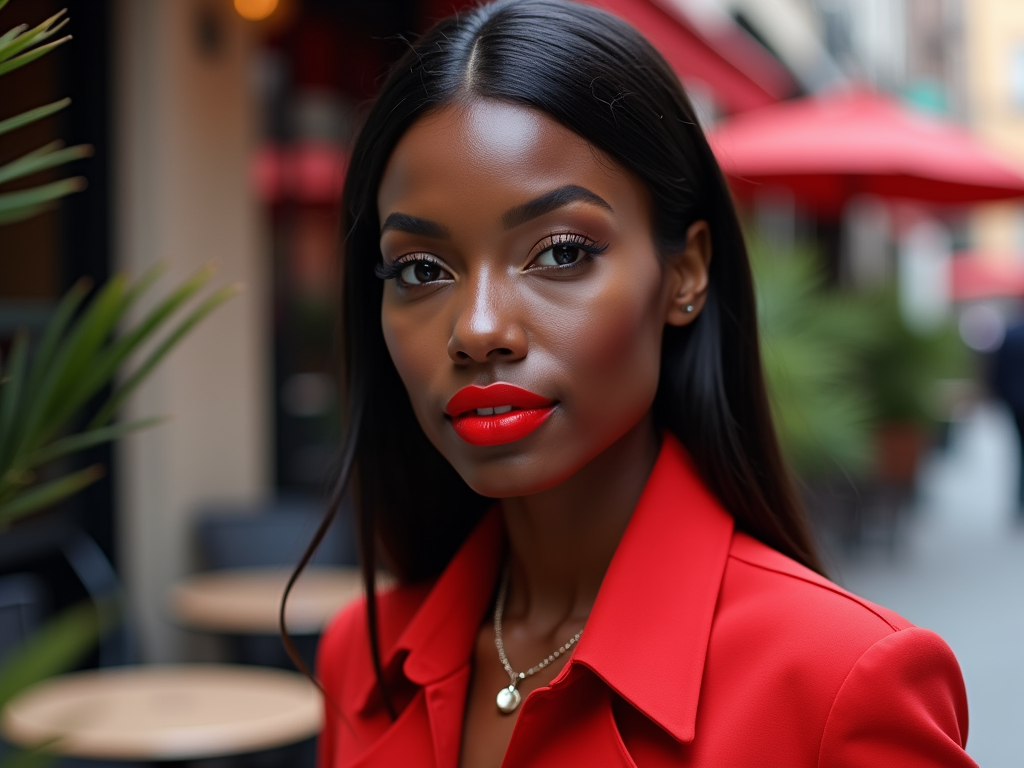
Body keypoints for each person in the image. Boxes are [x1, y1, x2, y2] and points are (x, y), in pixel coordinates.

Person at [290, 1, 976, 765]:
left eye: (559, 253)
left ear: (684, 274)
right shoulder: (362, 659)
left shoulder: (836, 684)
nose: (478, 328)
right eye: (421, 269)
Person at [992, 318, 1024, 521]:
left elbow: (996, 372)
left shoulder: (1010, 333)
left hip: (1015, 401)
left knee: (1019, 450)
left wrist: (999, 397)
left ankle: (1019, 501)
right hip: (1015, 399)